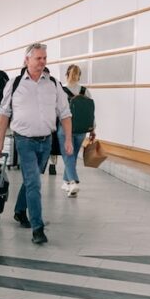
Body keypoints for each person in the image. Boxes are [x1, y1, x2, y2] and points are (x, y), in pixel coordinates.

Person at [0, 43, 73, 244]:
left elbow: (65, 114)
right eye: (38, 58)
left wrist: (69, 139)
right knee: (35, 183)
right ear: (26, 60)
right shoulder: (15, 83)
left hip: (46, 141)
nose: (43, 62)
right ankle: (37, 228)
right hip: (24, 140)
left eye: (45, 58)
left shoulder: (54, 84)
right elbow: (4, 114)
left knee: (32, 179)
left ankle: (20, 210)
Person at [59, 64, 95, 198]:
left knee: (68, 156)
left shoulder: (61, 90)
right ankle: (65, 183)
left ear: (66, 74)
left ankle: (72, 182)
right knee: (72, 157)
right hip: (81, 129)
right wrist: (92, 129)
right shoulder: (85, 91)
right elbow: (90, 112)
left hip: (64, 128)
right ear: (79, 75)